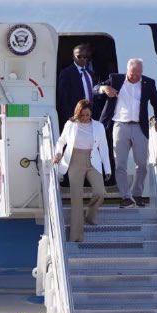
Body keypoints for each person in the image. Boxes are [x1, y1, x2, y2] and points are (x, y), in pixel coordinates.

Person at [93, 58, 157, 208]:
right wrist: (104, 89)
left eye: (139, 73)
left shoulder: (148, 83)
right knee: (120, 164)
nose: (136, 77)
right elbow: (95, 89)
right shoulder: (115, 79)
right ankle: (125, 196)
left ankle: (137, 194)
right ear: (127, 71)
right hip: (120, 127)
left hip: (140, 127)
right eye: (133, 73)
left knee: (142, 164)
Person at [52, 99, 110, 242]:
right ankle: (76, 237)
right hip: (74, 161)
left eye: (88, 115)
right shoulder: (70, 124)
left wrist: (107, 168)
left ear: (91, 113)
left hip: (92, 161)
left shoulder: (98, 126)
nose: (85, 117)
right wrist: (58, 153)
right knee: (76, 199)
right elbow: (61, 141)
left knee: (100, 192)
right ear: (78, 113)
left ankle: (89, 216)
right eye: (82, 115)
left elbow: (103, 148)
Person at [55, 43, 100, 126]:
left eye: (85, 57)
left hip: (91, 118)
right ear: (73, 57)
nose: (82, 59)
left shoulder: (91, 74)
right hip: (75, 118)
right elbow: (63, 98)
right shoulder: (66, 73)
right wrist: (69, 117)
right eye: (79, 56)